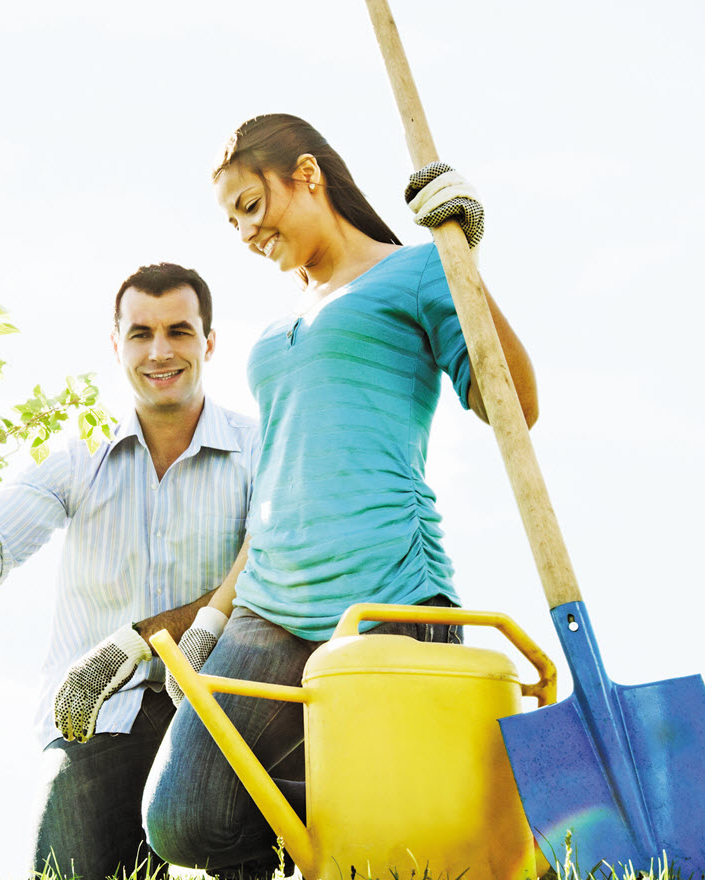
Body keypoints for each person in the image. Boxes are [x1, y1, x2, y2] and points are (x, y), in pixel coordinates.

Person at [141, 114, 539, 878]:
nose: (246, 233)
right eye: (231, 222)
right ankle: (347, 815)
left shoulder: (417, 271)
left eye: (250, 205)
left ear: (307, 175)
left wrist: (463, 261)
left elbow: (514, 406)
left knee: (393, 837)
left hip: (389, 594)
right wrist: (217, 613)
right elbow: (281, 480)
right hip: (270, 604)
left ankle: (384, 817)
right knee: (184, 819)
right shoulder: (278, 325)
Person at [0, 262, 264, 880]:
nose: (160, 351)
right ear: (116, 344)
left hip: (222, 712)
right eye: (141, 333)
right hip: (97, 715)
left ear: (209, 341)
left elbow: (270, 566)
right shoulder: (78, 456)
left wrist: (143, 638)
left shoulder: (260, 449)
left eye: (179, 331)